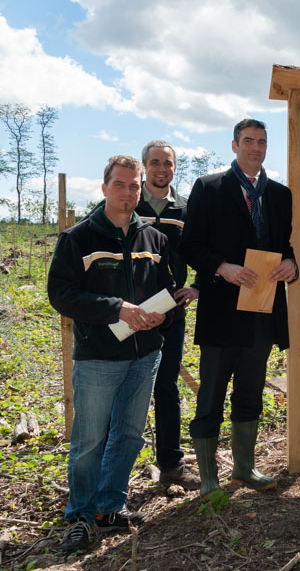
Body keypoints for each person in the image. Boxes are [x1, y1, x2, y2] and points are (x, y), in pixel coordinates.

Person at [48, 155, 174, 553]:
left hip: (145, 356)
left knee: (129, 435)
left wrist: (163, 313)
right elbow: (61, 295)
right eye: (120, 185)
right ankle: (81, 517)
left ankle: (110, 507)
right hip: (99, 358)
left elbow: (165, 285)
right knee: (89, 441)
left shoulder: (154, 239)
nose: (128, 193)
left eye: (134, 186)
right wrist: (116, 308)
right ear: (104, 188)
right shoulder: (79, 239)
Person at [180, 119, 298, 497]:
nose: (255, 148)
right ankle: (209, 478)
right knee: (211, 393)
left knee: (250, 391)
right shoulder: (209, 187)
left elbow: (287, 247)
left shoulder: (280, 195)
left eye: (262, 142)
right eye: (248, 141)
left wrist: (291, 266)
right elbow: (189, 245)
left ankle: (244, 469)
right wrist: (221, 267)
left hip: (262, 311)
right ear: (234, 146)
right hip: (221, 311)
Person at [136, 140, 201, 489]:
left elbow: (205, 250)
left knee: (166, 387)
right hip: (132, 313)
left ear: (175, 168)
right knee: (124, 388)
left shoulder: (185, 211)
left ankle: (172, 465)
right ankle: (113, 467)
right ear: (145, 165)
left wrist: (198, 286)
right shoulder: (128, 203)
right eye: (155, 162)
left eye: (169, 163)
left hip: (171, 312)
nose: (162, 169)